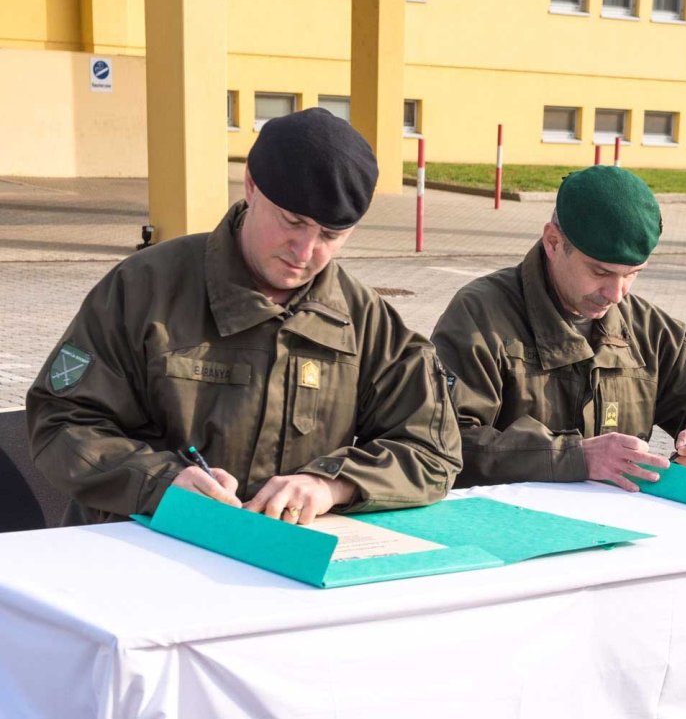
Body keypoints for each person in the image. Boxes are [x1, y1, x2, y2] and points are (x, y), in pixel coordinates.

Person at [27, 108, 462, 525]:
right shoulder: (144, 287)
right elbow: (60, 420)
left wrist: (333, 483)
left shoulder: (363, 321)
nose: (305, 252)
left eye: (331, 235)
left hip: (278, 558)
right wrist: (159, 482)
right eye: (292, 222)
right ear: (251, 186)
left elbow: (432, 451)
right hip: (137, 546)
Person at [432, 165, 686, 491]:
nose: (617, 294)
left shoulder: (643, 326)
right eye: (601, 272)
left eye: (632, 273)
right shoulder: (480, 314)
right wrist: (573, 457)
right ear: (553, 242)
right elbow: (443, 441)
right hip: (506, 522)